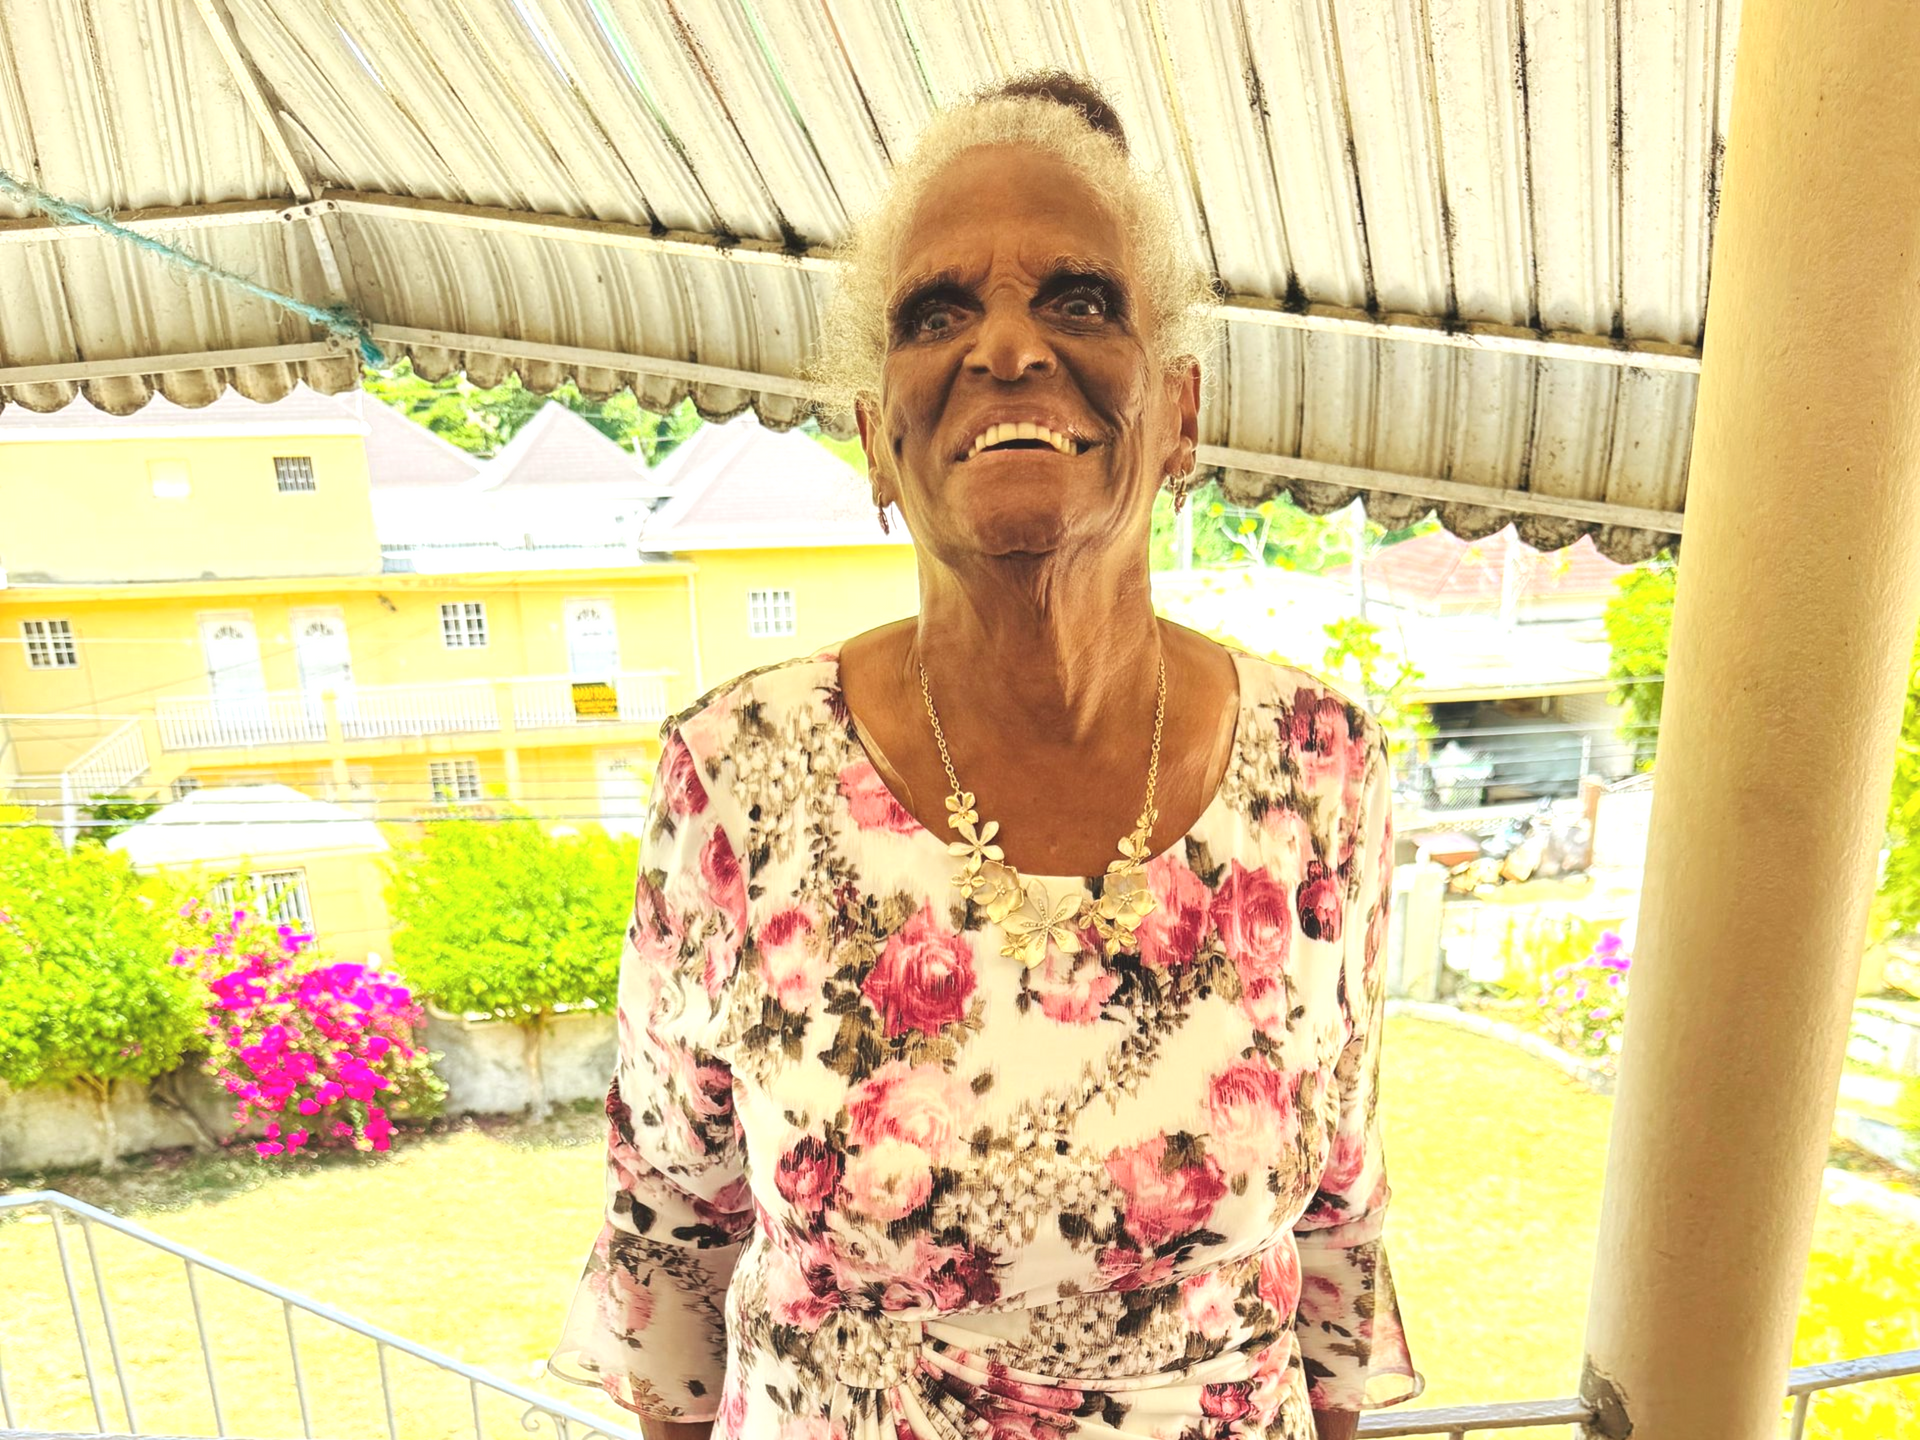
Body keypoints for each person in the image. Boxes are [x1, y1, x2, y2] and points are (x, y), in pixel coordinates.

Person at [549, 71, 1424, 1440]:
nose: (1006, 347)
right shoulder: (738, 770)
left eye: (1079, 298)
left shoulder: (1322, 766)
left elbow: (1340, 1222)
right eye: (936, 312)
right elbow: (673, 1223)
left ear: (1179, 410)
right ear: (876, 441)